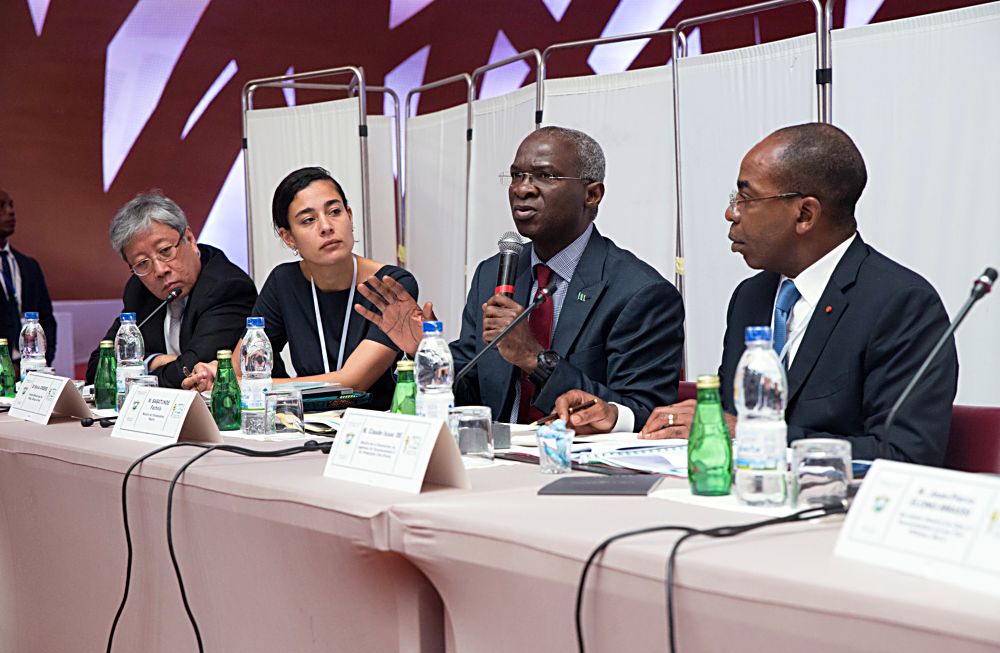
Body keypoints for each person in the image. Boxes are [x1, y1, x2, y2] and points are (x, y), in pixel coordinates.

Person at [555, 123, 958, 466]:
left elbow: (904, 455)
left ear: (805, 214)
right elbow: (728, 419)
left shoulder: (900, 303)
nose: (731, 213)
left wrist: (753, 436)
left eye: (745, 198)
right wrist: (625, 419)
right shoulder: (752, 297)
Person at [357, 126, 684, 427]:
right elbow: (473, 395)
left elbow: (644, 414)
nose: (523, 189)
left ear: (592, 194)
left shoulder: (640, 293)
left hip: (576, 470)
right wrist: (428, 354)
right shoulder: (492, 275)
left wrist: (535, 359)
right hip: (495, 462)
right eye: (517, 176)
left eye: (546, 176)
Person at [182, 167, 418, 410]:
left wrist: (255, 386)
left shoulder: (391, 285)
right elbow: (240, 369)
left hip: (374, 427)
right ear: (288, 237)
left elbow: (353, 382)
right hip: (307, 425)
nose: (326, 226)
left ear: (349, 216)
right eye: (308, 220)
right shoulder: (284, 282)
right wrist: (216, 374)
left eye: (335, 212)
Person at [85, 191, 257, 388]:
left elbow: (192, 373)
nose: (160, 270)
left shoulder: (228, 287)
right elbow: (99, 366)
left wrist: (137, 366)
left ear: (190, 240)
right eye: (142, 263)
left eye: (165, 251)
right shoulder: (139, 291)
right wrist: (156, 361)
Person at [0, 187, 56, 364]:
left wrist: (43, 360)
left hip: (32, 368)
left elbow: (46, 318)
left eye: (11, 205)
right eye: (1, 206)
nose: (10, 212)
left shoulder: (29, 266)